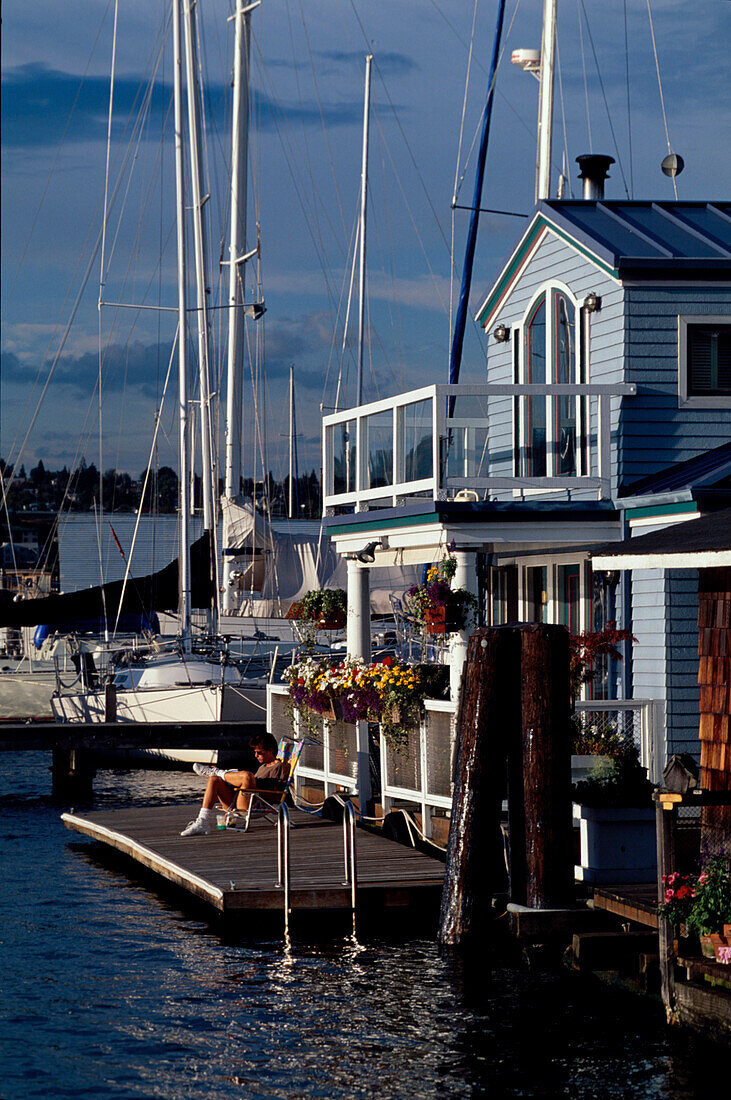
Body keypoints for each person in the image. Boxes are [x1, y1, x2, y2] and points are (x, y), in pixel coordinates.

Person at [180, 732, 289, 837]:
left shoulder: (281, 766)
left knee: (247, 776)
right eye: (255, 752)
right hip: (239, 801)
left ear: (270, 750)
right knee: (214, 780)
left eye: (259, 752)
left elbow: (277, 796)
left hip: (254, 805)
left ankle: (219, 771)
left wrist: (257, 786)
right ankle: (202, 822)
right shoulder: (262, 767)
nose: (256, 755)